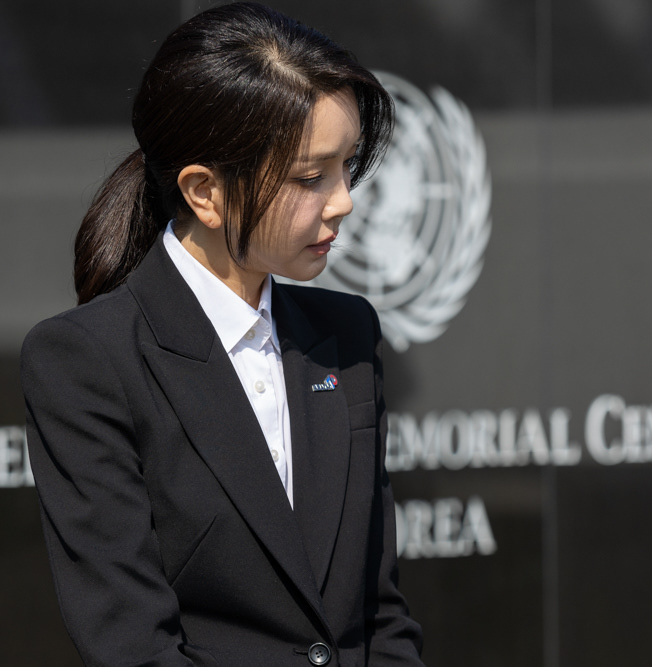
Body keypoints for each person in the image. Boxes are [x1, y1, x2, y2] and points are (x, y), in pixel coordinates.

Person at [21, 3, 425, 665]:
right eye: (310, 177)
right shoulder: (87, 360)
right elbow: (131, 644)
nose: (344, 201)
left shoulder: (347, 335)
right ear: (204, 192)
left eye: (347, 165)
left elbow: (380, 617)